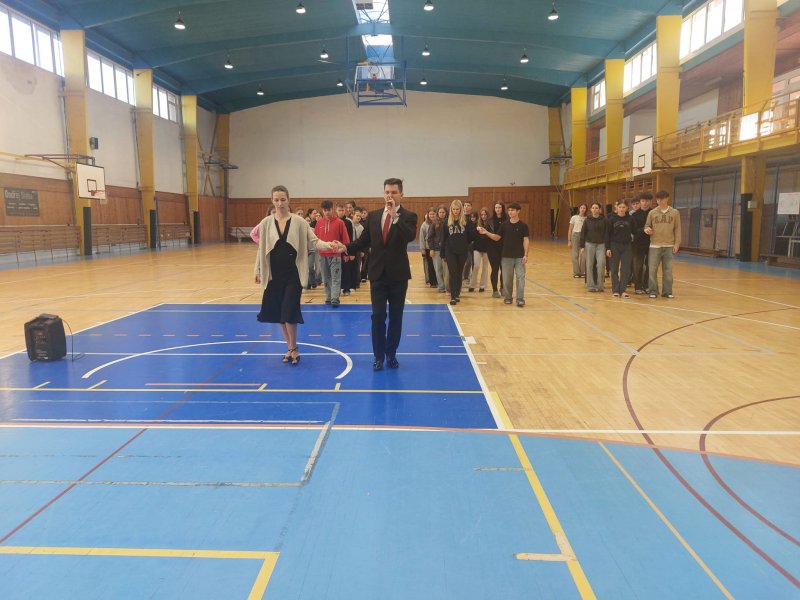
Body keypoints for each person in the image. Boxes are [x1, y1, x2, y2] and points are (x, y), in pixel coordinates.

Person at [253, 185, 344, 365]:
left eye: (283, 199)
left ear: (289, 200)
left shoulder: (299, 222)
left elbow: (314, 241)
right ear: (272, 201)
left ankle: (293, 347)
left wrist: (330, 246)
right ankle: (291, 348)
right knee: (279, 314)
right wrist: (257, 270)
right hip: (274, 276)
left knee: (289, 312)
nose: (280, 203)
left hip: (293, 275)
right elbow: (261, 249)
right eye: (276, 200)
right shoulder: (266, 223)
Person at [346, 178, 417, 371]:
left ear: (401, 195)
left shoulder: (409, 216)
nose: (389, 196)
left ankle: (391, 353)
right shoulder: (374, 216)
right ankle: (378, 356)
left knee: (396, 317)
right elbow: (362, 241)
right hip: (377, 274)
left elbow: (409, 236)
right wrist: (344, 247)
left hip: (398, 275)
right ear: (383, 193)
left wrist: (395, 216)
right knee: (377, 317)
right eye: (387, 192)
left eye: (393, 192)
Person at [478, 202, 529, 306]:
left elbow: (526, 240)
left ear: (518, 211)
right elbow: (497, 237)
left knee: (520, 277)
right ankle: (508, 297)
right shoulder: (504, 225)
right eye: (509, 210)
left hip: (519, 257)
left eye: (512, 210)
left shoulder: (523, 225)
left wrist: (526, 254)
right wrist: (486, 232)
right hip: (506, 257)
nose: (510, 212)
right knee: (507, 279)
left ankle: (520, 299)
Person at [645, 189, 681, 299]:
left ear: (667, 198)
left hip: (669, 245)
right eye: (657, 199)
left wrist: (677, 244)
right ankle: (653, 291)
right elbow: (647, 225)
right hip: (655, 245)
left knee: (668, 270)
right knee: (652, 270)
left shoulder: (675, 212)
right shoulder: (652, 213)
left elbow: (677, 229)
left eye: (661, 199)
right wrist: (647, 229)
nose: (659, 201)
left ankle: (667, 291)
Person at [314, 200, 350, 306]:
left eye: (328, 210)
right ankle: (328, 297)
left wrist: (346, 253)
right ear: (322, 210)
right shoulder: (319, 223)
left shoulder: (340, 222)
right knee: (325, 278)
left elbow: (345, 239)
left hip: (335, 255)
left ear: (332, 209)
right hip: (322, 255)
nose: (327, 212)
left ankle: (335, 298)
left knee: (335, 277)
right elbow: (315, 239)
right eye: (324, 210)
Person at [440, 199, 475, 306]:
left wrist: (474, 229)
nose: (455, 211)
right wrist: (442, 253)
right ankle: (453, 296)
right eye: (454, 209)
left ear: (461, 209)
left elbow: (471, 237)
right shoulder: (446, 222)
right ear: (451, 209)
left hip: (462, 251)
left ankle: (457, 294)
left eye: (457, 209)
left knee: (459, 273)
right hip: (450, 251)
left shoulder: (466, 222)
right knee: (453, 272)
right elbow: (443, 239)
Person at [605, 199, 633, 298]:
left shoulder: (630, 219)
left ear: (627, 208)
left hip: (627, 246)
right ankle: (616, 289)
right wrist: (608, 248)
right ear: (617, 207)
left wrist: (644, 229)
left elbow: (635, 230)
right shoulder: (611, 219)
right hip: (614, 245)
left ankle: (623, 290)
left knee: (625, 269)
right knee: (614, 268)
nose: (621, 209)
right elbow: (607, 234)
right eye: (620, 207)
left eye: (623, 207)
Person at [580, 202, 608, 293]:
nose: (595, 209)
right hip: (589, 244)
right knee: (589, 265)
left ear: (599, 210)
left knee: (601, 264)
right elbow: (583, 232)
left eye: (596, 208)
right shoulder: (587, 220)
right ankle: (591, 285)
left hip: (601, 245)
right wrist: (582, 246)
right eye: (593, 208)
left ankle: (600, 285)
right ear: (590, 209)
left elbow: (606, 233)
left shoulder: (604, 220)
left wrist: (607, 246)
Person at [631, 192, 652, 295]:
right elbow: (633, 230)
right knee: (637, 266)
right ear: (640, 202)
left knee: (650, 265)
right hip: (638, 244)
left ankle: (646, 285)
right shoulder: (634, 215)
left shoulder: (653, 213)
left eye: (647, 201)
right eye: (643, 201)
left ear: (650, 201)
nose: (645, 203)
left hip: (651, 243)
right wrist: (643, 230)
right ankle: (638, 286)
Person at [486, 201, 506, 298]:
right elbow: (487, 235)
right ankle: (494, 290)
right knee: (495, 269)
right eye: (496, 207)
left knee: (504, 270)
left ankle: (503, 288)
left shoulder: (507, 220)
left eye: (499, 207)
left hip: (504, 248)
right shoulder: (490, 221)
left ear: (503, 208)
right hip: (492, 248)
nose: (497, 209)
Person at [427, 205, 448, 294]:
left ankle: (447, 286)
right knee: (438, 269)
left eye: (443, 212)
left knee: (446, 270)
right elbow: (430, 237)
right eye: (440, 212)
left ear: (446, 213)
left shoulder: (449, 222)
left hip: (446, 250)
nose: (442, 214)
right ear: (437, 213)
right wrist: (431, 249)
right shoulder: (433, 223)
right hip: (436, 249)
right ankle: (441, 286)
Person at [469, 208, 491, 292]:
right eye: (482, 215)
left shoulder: (490, 224)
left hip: (487, 248)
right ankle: (472, 285)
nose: (483, 216)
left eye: (485, 214)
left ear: (487, 215)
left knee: (485, 267)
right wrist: (476, 230)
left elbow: (491, 235)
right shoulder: (476, 224)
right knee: (476, 266)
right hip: (477, 248)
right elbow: (472, 236)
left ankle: (482, 286)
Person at [567, 204, 587, 278]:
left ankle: (582, 272)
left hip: (584, 236)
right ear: (579, 209)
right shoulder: (574, 217)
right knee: (575, 255)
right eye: (581, 207)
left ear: (586, 210)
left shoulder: (587, 218)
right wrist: (569, 240)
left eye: (584, 208)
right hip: (575, 235)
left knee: (583, 255)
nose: (582, 209)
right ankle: (576, 272)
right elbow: (570, 229)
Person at [419, 208, 437, 288]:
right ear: (428, 215)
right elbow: (421, 237)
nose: (432, 215)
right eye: (430, 214)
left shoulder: (438, 223)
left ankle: (438, 280)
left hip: (437, 247)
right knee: (430, 265)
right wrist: (422, 249)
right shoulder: (424, 225)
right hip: (428, 248)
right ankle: (432, 282)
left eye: (433, 214)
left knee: (437, 265)